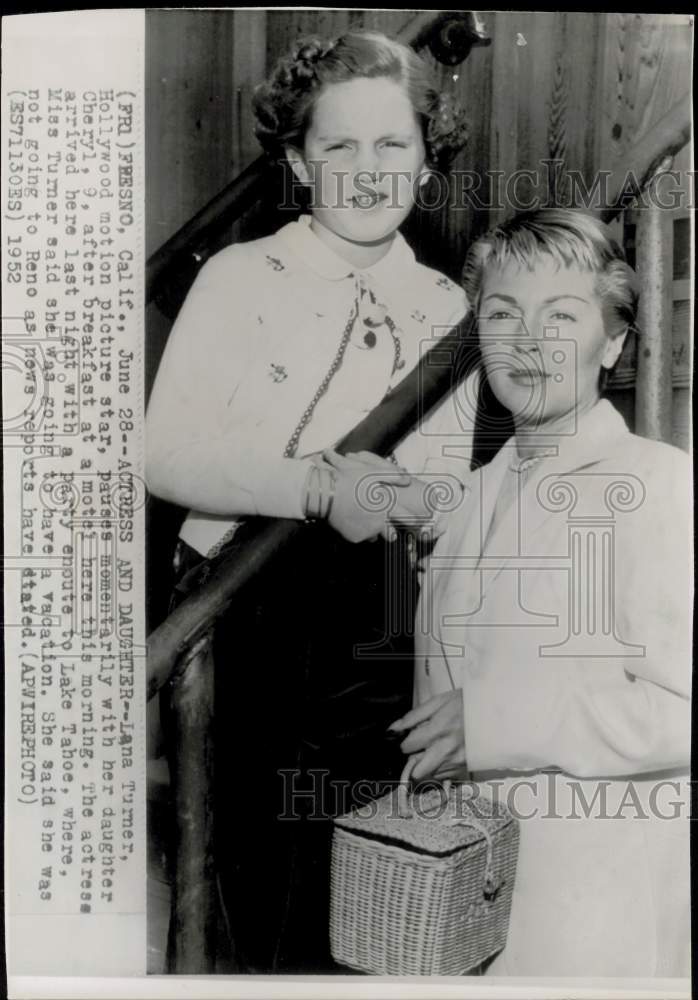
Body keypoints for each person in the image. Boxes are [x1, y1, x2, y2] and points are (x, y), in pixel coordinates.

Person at [146, 30, 477, 971]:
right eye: (339, 148)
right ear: (297, 160)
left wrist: (411, 496)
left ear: (426, 157)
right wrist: (314, 484)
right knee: (260, 864)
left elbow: (451, 485)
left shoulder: (447, 304)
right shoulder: (241, 276)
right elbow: (165, 453)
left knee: (354, 863)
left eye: (391, 146)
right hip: (248, 602)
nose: (367, 171)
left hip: (377, 612)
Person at [390, 209, 692, 976]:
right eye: (502, 313)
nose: (528, 342)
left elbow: (680, 711)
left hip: (597, 910)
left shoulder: (657, 485)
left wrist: (489, 723)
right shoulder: (471, 498)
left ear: (614, 342)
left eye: (561, 315)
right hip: (473, 899)